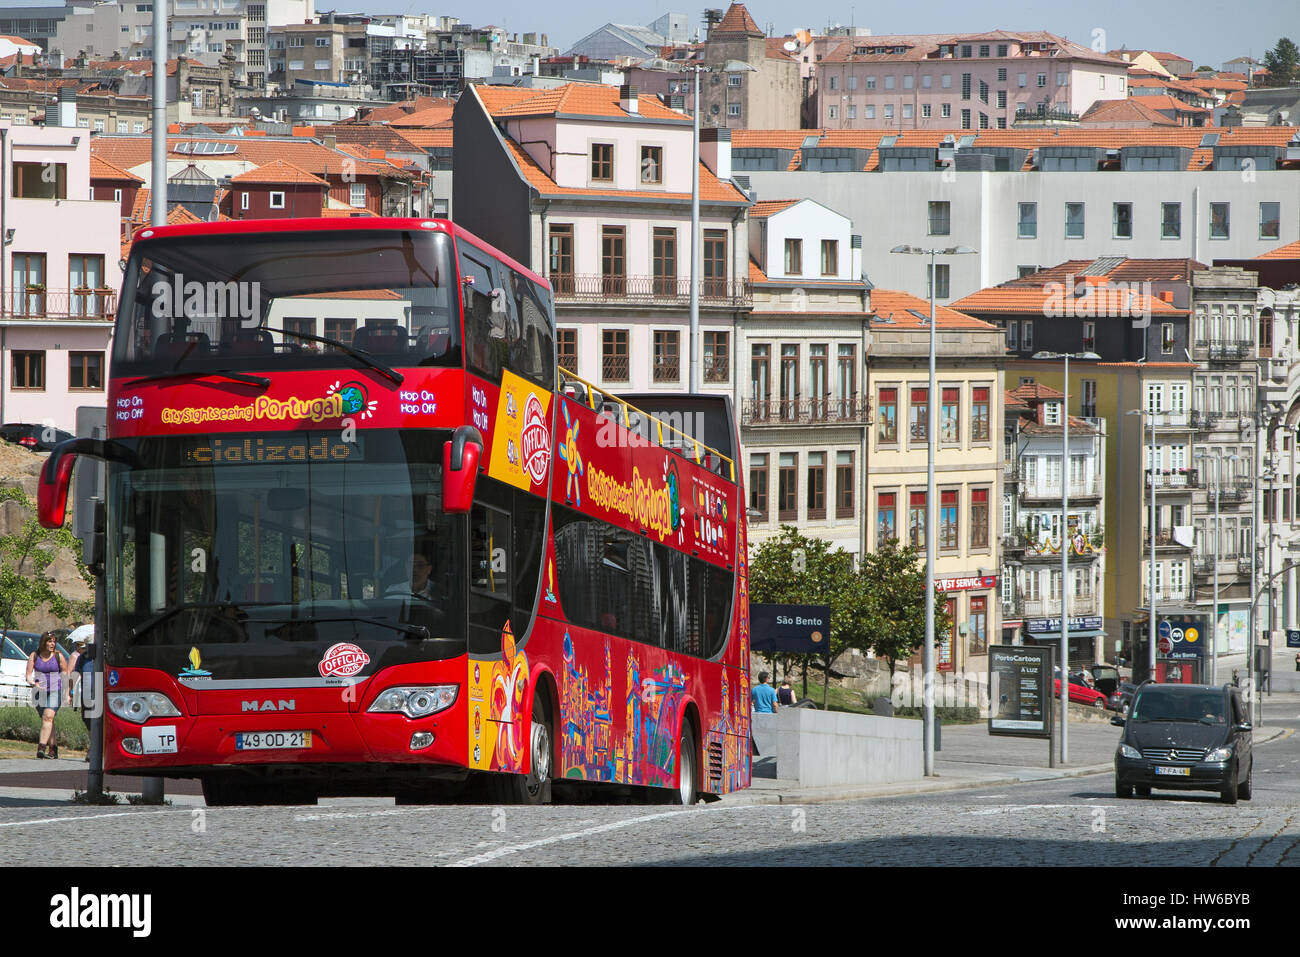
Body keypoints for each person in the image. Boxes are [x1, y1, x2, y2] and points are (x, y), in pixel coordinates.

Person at [25, 632, 68, 759]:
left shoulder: (58, 656)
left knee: (48, 717)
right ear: (44, 642)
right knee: (48, 720)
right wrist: (32, 683)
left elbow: (65, 673)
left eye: (54, 641)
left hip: (56, 690)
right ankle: (53, 748)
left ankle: (41, 748)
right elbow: (28, 674)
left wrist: (67, 692)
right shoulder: (35, 655)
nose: (52, 644)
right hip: (39, 692)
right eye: (50, 641)